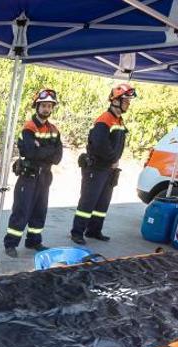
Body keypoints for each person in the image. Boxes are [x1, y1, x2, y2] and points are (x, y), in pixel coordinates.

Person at [70, 82, 136, 244]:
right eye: (126, 100)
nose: (128, 104)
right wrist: (113, 159)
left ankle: (94, 230)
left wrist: (114, 161)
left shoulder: (118, 120)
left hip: (108, 169)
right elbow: (100, 144)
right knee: (88, 201)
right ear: (115, 100)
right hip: (97, 167)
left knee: (102, 202)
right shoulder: (105, 120)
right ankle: (77, 232)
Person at [3, 88, 63, 257]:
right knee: (21, 210)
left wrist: (41, 149)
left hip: (45, 176)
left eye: (49, 106)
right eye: (43, 105)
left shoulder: (54, 130)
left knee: (39, 210)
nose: (46, 109)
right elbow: (30, 153)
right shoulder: (28, 128)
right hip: (28, 175)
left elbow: (57, 157)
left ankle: (34, 241)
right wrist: (47, 151)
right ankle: (10, 244)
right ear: (37, 106)